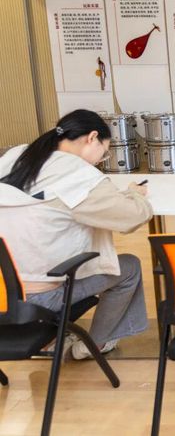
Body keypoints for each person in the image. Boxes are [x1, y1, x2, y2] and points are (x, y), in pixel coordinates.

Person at [0, 109, 152, 359]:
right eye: (104, 153)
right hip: (38, 298)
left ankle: (53, 338)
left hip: (3, 291)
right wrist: (135, 194)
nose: (100, 161)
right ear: (92, 137)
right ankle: (95, 344)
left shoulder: (17, 156)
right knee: (129, 267)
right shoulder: (77, 174)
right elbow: (132, 216)